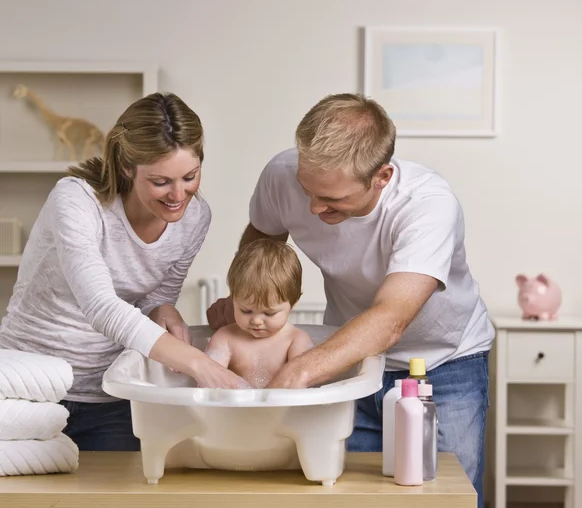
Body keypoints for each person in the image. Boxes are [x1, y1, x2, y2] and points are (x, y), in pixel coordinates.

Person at [207, 93, 494, 508]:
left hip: (444, 364)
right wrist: (243, 302)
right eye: (308, 189)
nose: (313, 206)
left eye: (333, 200)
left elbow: (391, 318)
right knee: (349, 497)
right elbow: (263, 236)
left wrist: (302, 370)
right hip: (351, 362)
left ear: (382, 176)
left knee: (441, 498)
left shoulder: (427, 207)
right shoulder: (282, 174)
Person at [0, 92, 247, 452]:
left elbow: (153, 295)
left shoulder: (195, 217)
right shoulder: (76, 200)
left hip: (111, 395)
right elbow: (100, 306)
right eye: (161, 181)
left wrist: (162, 307)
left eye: (190, 176)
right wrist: (201, 365)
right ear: (127, 166)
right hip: (28, 390)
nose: (178, 194)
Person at [205, 238, 314, 388]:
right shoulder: (225, 338)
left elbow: (305, 388)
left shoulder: (296, 341)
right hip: (236, 410)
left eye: (269, 313)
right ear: (233, 299)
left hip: (283, 409)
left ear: (293, 303)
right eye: (246, 310)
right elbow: (208, 381)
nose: (256, 320)